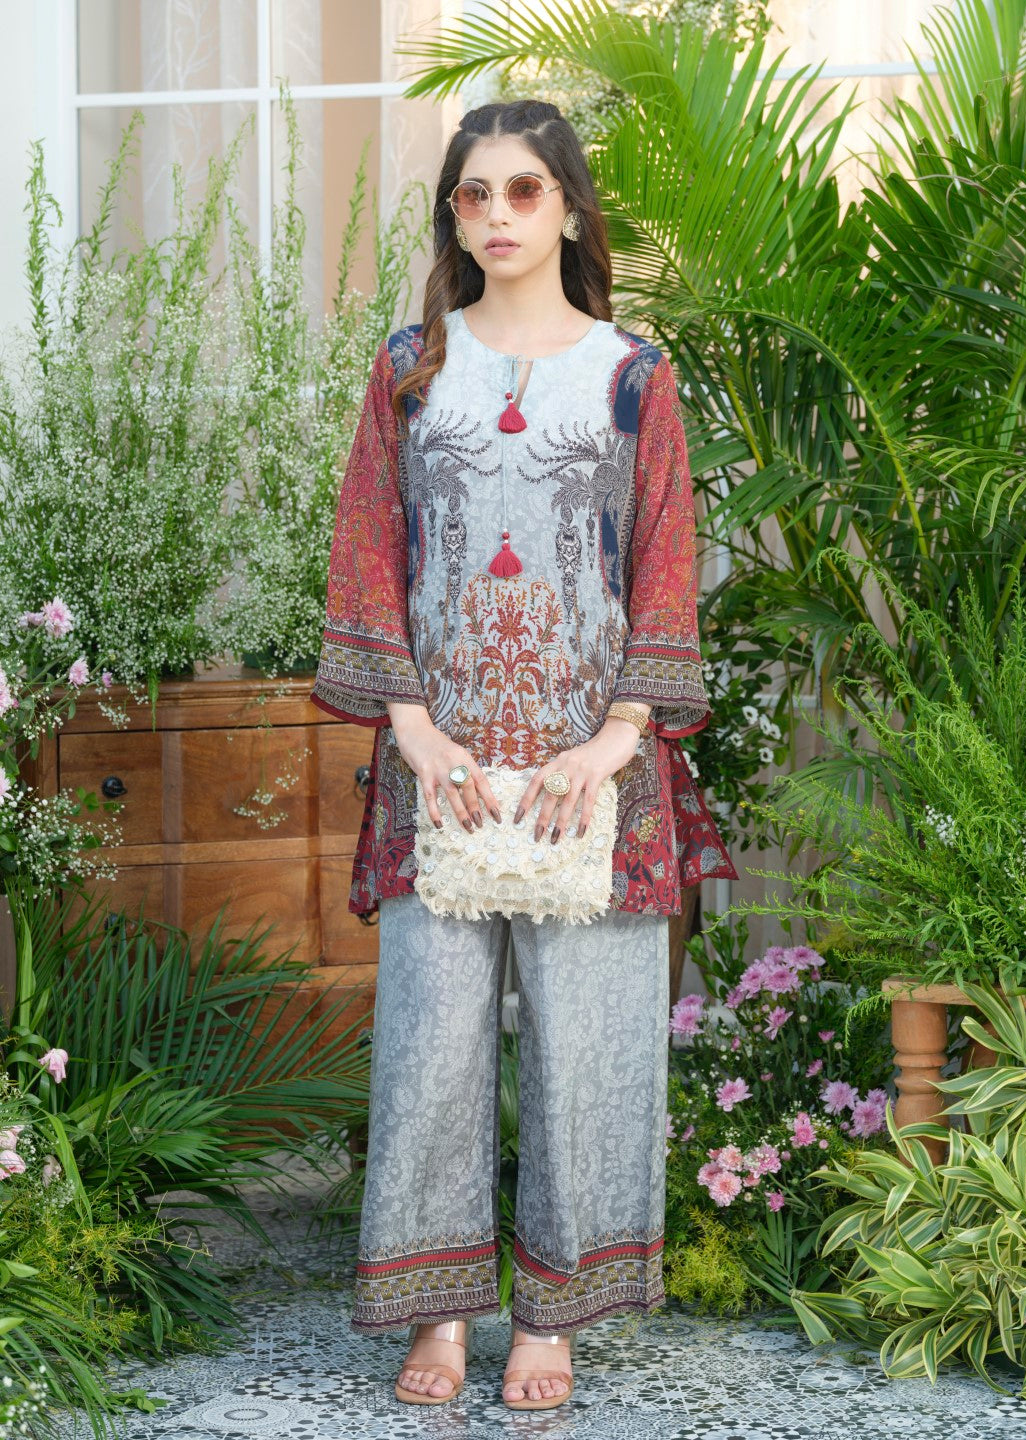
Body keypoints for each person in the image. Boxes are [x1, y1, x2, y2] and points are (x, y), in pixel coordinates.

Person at [309, 98, 735, 1411]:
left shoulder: (633, 376)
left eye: (524, 191)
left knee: (587, 1051)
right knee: (429, 1049)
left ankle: (553, 1317)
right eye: (474, 194)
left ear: (569, 209)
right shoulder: (410, 369)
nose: (497, 215)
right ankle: (438, 1313)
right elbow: (368, 548)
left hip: (587, 774)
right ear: (452, 216)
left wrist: (614, 741)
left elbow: (664, 561)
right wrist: (412, 726)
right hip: (438, 767)